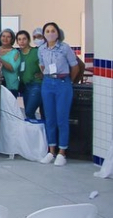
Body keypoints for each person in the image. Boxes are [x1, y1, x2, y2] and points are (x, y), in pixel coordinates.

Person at [38, 22, 81, 166]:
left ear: (58, 33)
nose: (50, 33)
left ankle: (62, 152)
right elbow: (42, 65)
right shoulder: (42, 49)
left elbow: (75, 66)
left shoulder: (64, 48)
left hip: (63, 83)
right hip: (47, 83)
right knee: (49, 118)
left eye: (53, 30)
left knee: (62, 118)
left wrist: (69, 81)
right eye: (47, 31)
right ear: (44, 34)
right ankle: (51, 151)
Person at [17, 29, 44, 120]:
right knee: (28, 114)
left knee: (29, 111)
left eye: (24, 39)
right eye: (19, 39)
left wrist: (43, 74)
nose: (22, 41)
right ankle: (34, 132)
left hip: (36, 85)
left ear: (28, 40)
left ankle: (39, 131)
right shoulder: (17, 54)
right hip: (25, 87)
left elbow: (45, 65)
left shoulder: (36, 52)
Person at [0, 29, 22, 95]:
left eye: (8, 37)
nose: (5, 38)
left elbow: (12, 68)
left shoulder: (15, 52)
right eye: (3, 36)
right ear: (0, 38)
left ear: (12, 39)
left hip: (11, 86)